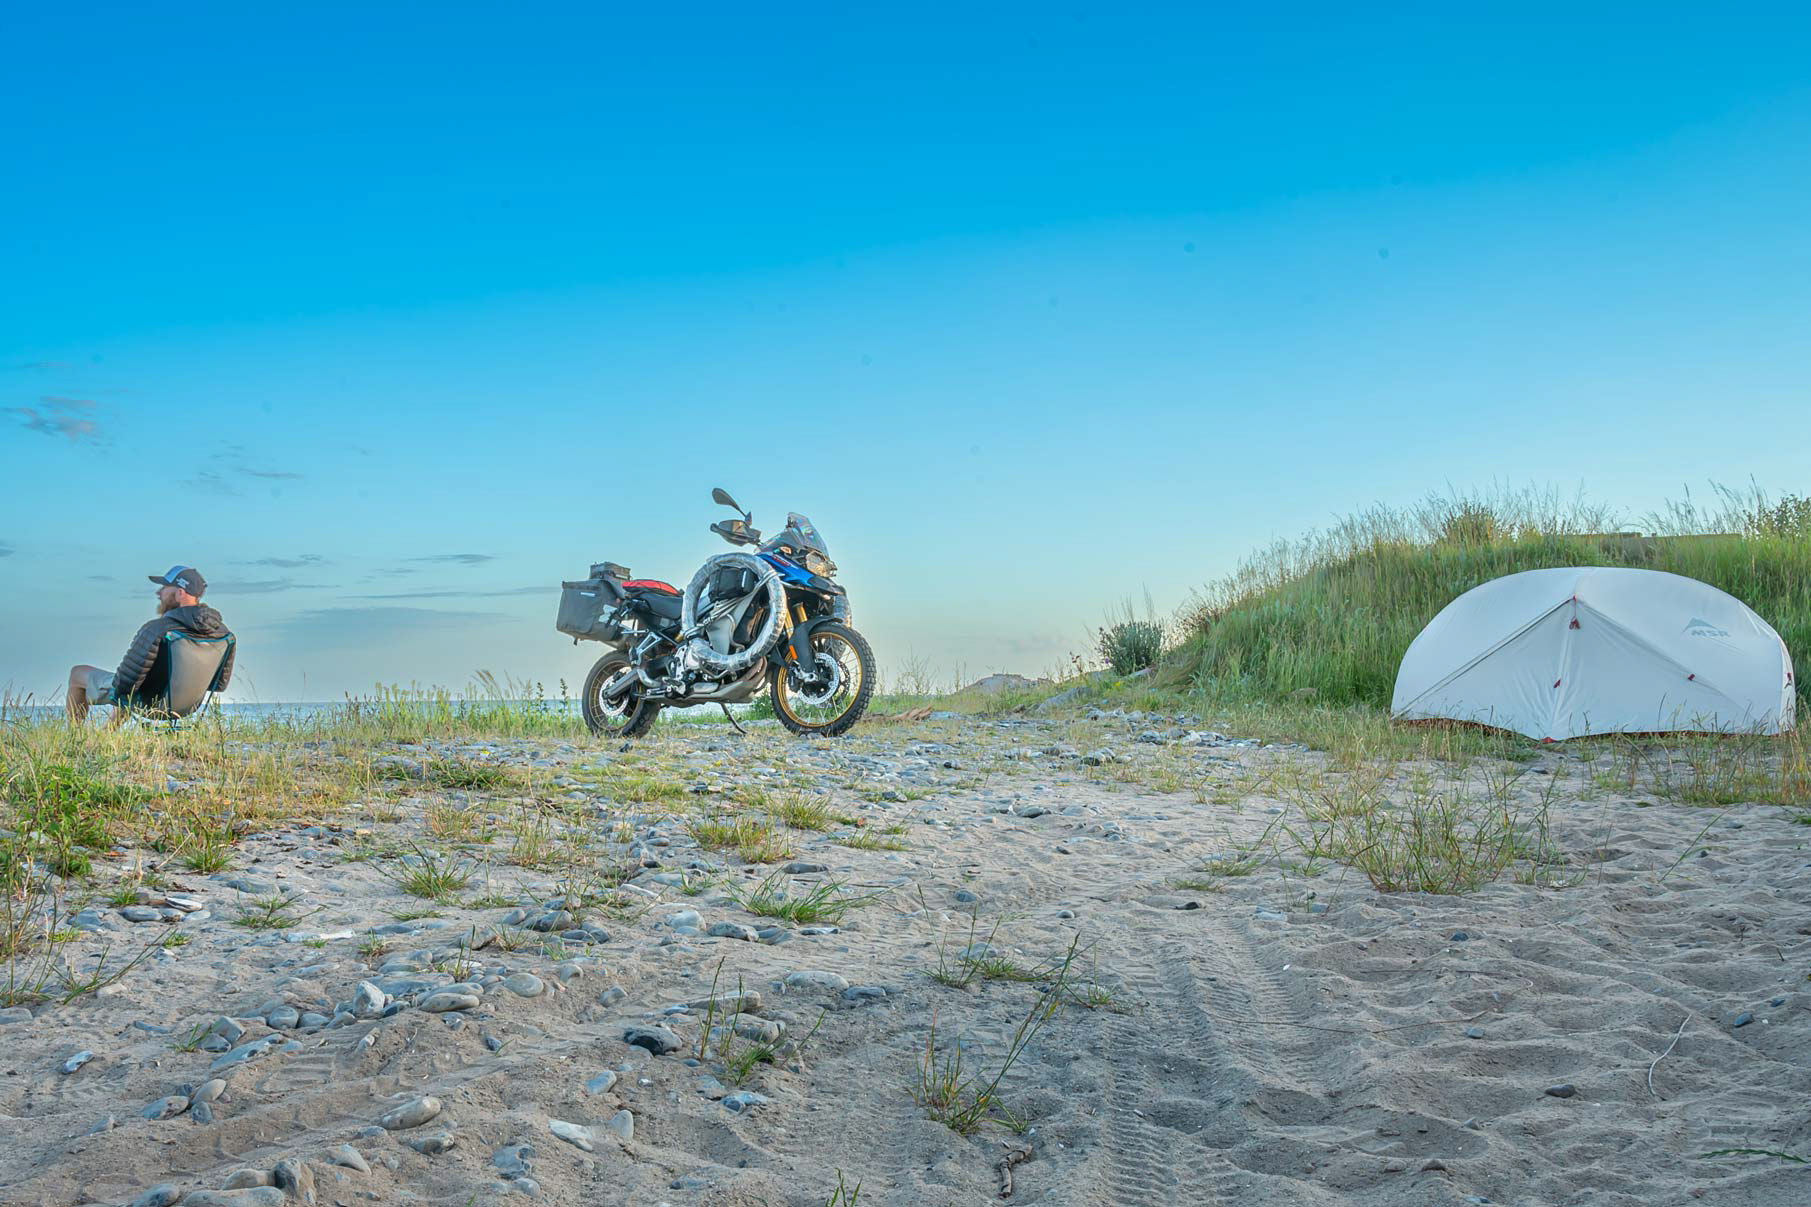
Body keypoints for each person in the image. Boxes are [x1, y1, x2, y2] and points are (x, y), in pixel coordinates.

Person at [67, 565, 236, 722]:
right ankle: (105, 735)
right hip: (188, 707)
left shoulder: (158, 629)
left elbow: (124, 684)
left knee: (78, 673)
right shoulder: (224, 633)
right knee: (137, 682)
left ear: (180, 593)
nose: (159, 593)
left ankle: (75, 738)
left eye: (164, 587)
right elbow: (218, 685)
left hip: (151, 705)